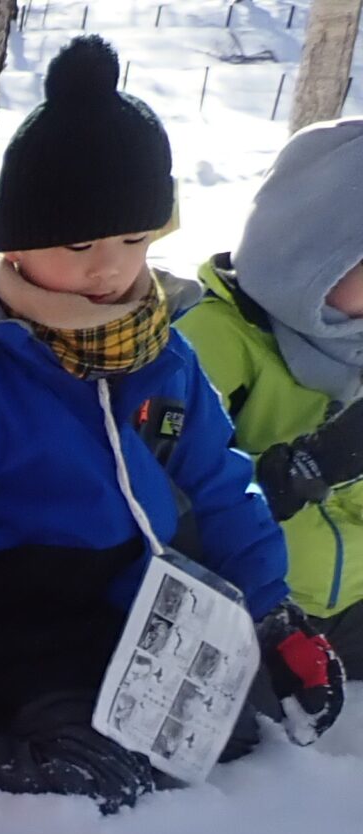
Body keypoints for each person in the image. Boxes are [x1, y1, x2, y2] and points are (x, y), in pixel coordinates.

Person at [0, 35, 342, 812]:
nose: (109, 266)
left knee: (229, 729)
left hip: (124, 603)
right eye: (79, 244)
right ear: (19, 241)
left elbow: (220, 483)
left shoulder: (161, 352)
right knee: (92, 775)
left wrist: (272, 614)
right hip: (0, 617)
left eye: (134, 239)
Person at [174, 116, 363, 672]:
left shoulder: (352, 345)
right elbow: (169, 493)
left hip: (348, 601)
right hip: (256, 608)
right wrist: (301, 470)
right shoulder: (216, 341)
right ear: (314, 251)